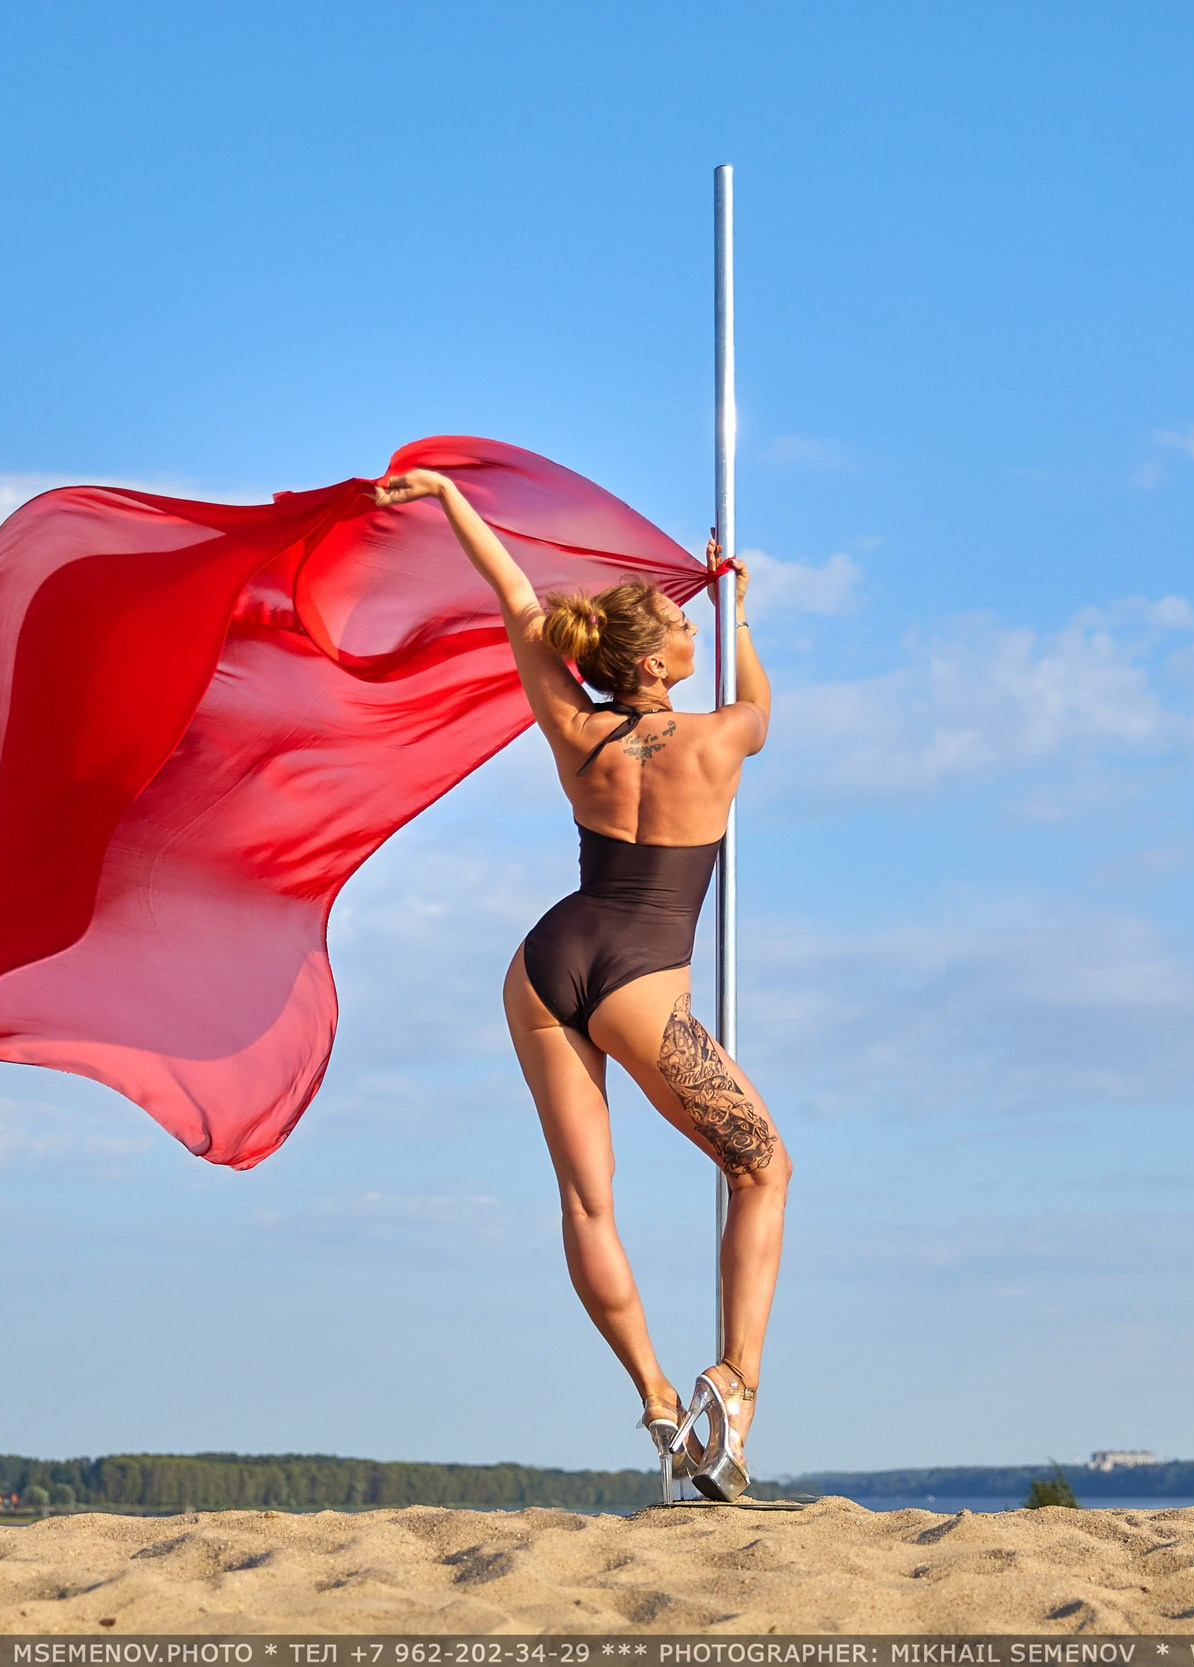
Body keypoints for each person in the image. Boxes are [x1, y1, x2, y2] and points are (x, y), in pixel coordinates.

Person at [372, 467, 788, 1502]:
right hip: (641, 980)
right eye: (682, 633)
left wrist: (444, 498)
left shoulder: (575, 730)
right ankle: (731, 1390)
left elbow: (515, 599)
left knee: (586, 1199)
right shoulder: (723, 736)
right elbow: (757, 696)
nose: (695, 637)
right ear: (655, 663)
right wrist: (737, 601)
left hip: (547, 961)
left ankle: (654, 1395)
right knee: (761, 1168)